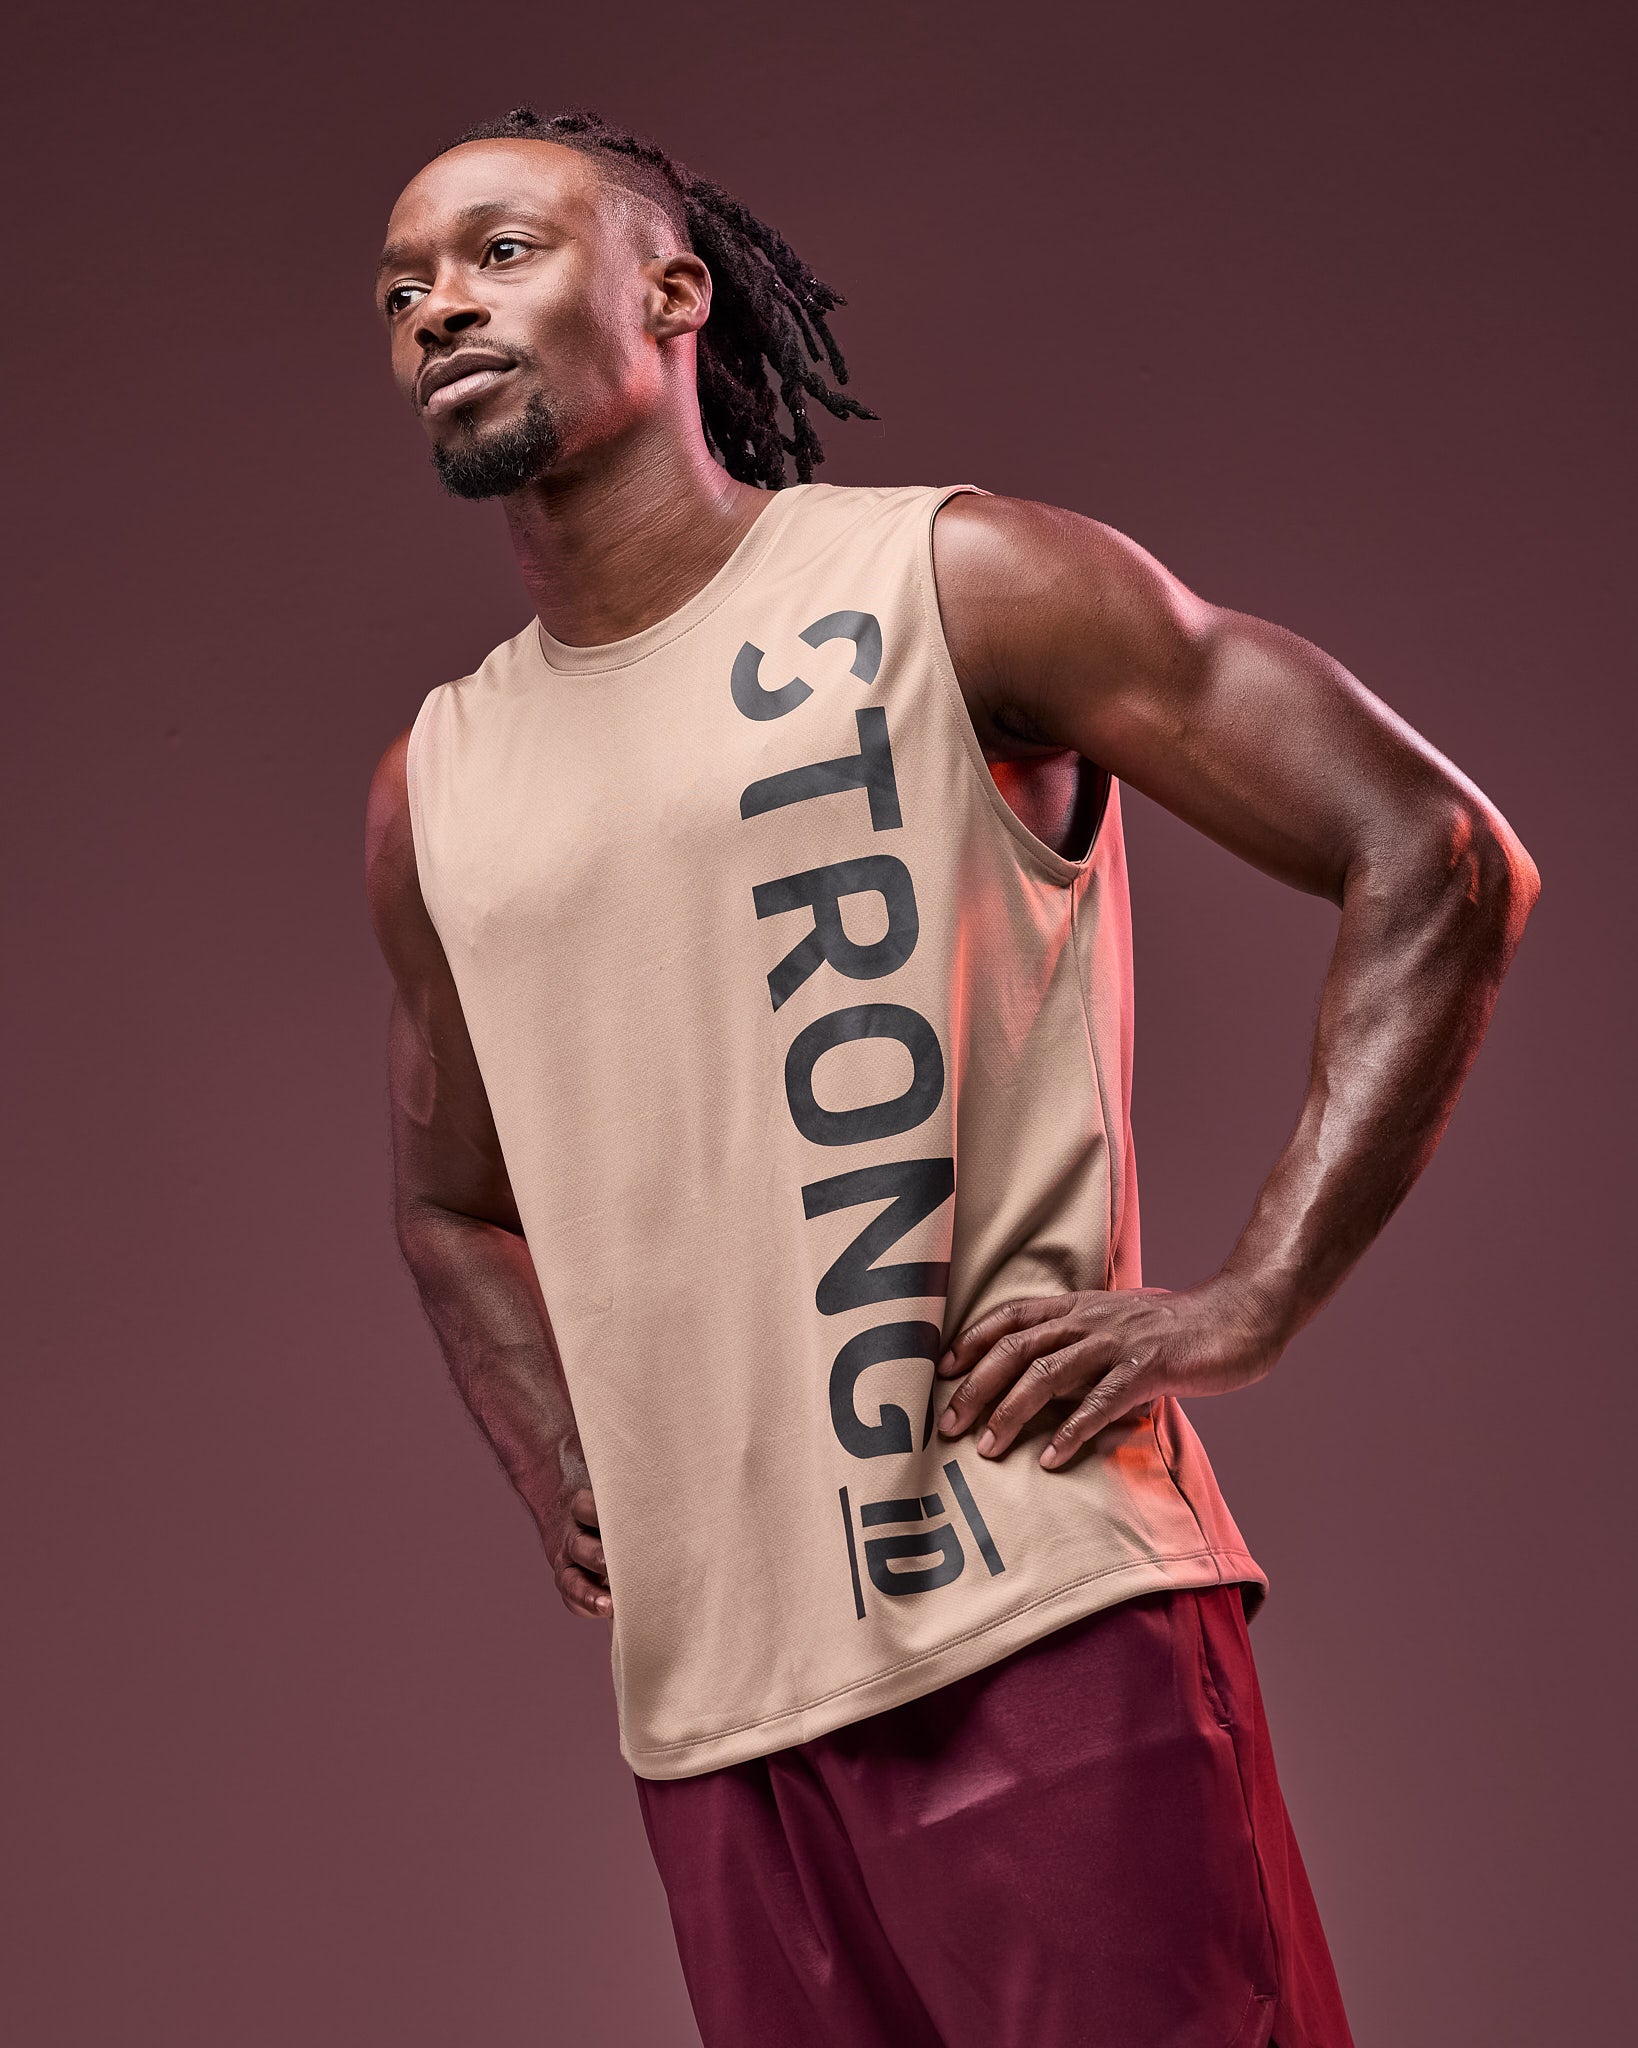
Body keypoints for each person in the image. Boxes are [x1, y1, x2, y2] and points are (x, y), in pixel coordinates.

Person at [363, 106, 1538, 2048]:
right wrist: (558, 1457)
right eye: (403, 285)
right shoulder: (437, 786)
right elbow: (450, 1200)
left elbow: (1432, 852)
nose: (435, 308)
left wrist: (1250, 1296)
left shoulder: (957, 584)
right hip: (720, 1708)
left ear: (671, 292)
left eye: (497, 252)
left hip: (1040, 1616)